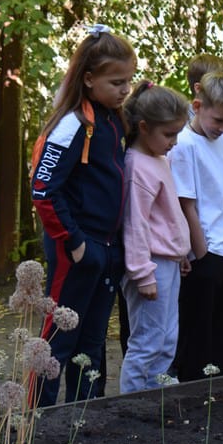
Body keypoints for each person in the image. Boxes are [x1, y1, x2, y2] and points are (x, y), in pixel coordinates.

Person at [30, 24, 134, 407]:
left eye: (129, 80)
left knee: (92, 340)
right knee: (58, 338)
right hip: (76, 251)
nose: (125, 89)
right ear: (89, 79)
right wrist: (73, 243)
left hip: (106, 252)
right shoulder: (73, 124)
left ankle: (85, 416)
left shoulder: (113, 119)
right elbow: (43, 189)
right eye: (117, 81)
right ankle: (38, 418)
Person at [169, 71, 223, 381]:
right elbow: (185, 202)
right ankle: (193, 384)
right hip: (207, 248)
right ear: (197, 106)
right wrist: (199, 251)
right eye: (218, 120)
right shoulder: (184, 145)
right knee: (199, 325)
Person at [117, 82, 192, 393]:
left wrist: (180, 253)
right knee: (147, 339)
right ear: (144, 127)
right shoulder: (137, 167)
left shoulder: (158, 158)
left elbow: (166, 216)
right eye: (169, 134)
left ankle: (156, 396)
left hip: (167, 262)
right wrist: (142, 273)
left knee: (166, 336)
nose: (174, 142)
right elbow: (135, 225)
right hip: (149, 266)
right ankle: (131, 403)